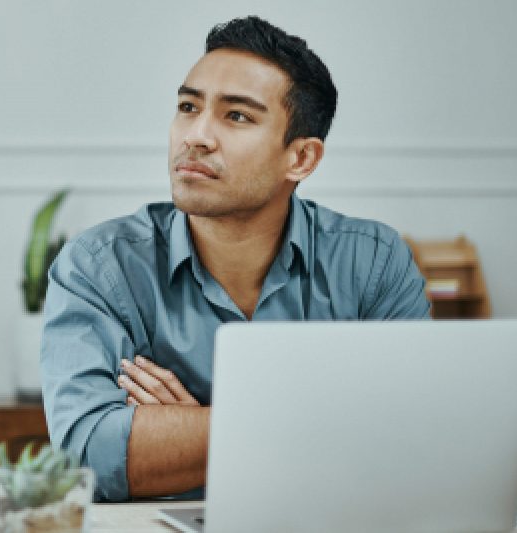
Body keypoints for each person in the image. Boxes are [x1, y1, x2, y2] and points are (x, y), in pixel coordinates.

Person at [40, 15, 432, 502]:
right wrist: (323, 423)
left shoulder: (373, 261)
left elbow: (412, 446)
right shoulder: (100, 266)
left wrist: (196, 423)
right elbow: (88, 457)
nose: (196, 136)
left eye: (237, 116)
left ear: (302, 159)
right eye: (188, 106)